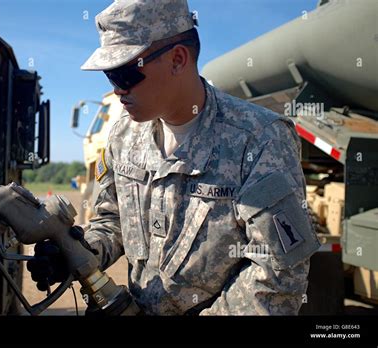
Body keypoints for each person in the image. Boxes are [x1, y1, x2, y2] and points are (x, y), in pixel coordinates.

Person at [28, 0, 320, 315]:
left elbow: (278, 279)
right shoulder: (122, 137)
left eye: (124, 73)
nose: (116, 90)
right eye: (108, 76)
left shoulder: (259, 139)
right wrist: (79, 253)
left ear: (177, 59)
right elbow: (112, 221)